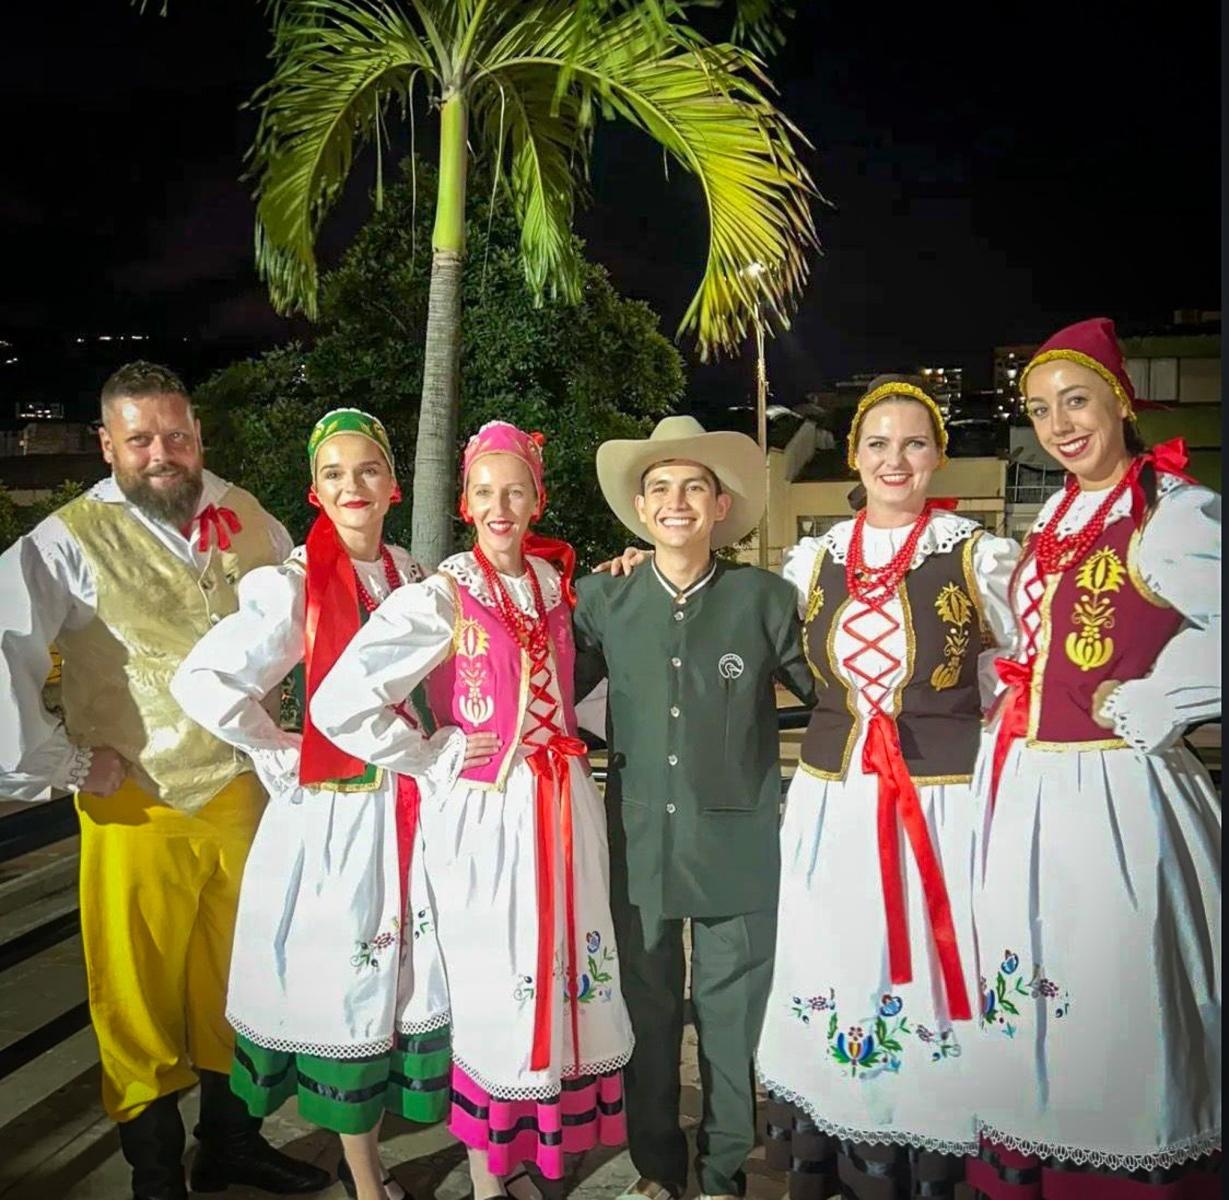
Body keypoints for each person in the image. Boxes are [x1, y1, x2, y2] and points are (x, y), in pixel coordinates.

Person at [0, 362, 329, 1200]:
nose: (161, 453)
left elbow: (316, 612)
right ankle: (154, 1173)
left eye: (175, 435)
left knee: (242, 979)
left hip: (242, 795)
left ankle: (232, 1145)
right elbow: (5, 646)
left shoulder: (249, 516)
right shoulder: (65, 539)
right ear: (107, 443)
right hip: (133, 803)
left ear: (197, 436)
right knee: (135, 989)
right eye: (139, 438)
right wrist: (64, 762)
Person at [311, 421, 634, 1200]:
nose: (499, 506)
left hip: (563, 807)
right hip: (486, 821)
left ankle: (520, 1158)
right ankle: (489, 1180)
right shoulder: (443, 594)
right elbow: (339, 701)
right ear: (464, 502)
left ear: (535, 499)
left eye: (514, 491)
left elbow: (575, 692)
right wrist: (432, 752)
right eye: (484, 492)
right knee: (495, 985)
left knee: (561, 976)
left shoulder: (554, 586)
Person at [171, 408, 468, 1200]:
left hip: (418, 805)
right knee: (349, 991)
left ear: (393, 483)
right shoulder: (295, 584)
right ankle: (366, 1179)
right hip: (341, 816)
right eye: (333, 473)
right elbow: (202, 681)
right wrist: (278, 747)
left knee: (411, 982)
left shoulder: (414, 574)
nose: (351, 485)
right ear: (315, 491)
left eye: (367, 469)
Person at [965, 318, 1221, 1199]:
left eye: (1075, 401)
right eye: (1040, 410)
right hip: (1026, 784)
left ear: (1119, 400)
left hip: (1114, 792)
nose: (1059, 425)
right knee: (1035, 975)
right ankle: (1041, 1153)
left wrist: (1160, 698)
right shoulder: (1057, 512)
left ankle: (1124, 1166)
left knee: (1112, 977)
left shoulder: (1171, 511)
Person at [751, 377, 1018, 1200]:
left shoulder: (976, 554)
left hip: (939, 801)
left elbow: (1023, 666)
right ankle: (843, 1138)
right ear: (853, 457)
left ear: (937, 455)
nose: (893, 459)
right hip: (834, 798)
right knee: (840, 954)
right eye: (877, 443)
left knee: (934, 969)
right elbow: (749, 629)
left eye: (912, 443)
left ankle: (931, 1148)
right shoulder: (815, 558)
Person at [576, 415, 815, 1200]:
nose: (675, 502)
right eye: (659, 489)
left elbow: (831, 697)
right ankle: (656, 1170)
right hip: (639, 841)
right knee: (644, 1014)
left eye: (692, 488)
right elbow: (539, 691)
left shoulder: (765, 599)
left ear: (719, 506)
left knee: (730, 1017)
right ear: (641, 509)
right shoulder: (602, 598)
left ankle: (721, 1173)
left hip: (738, 847)